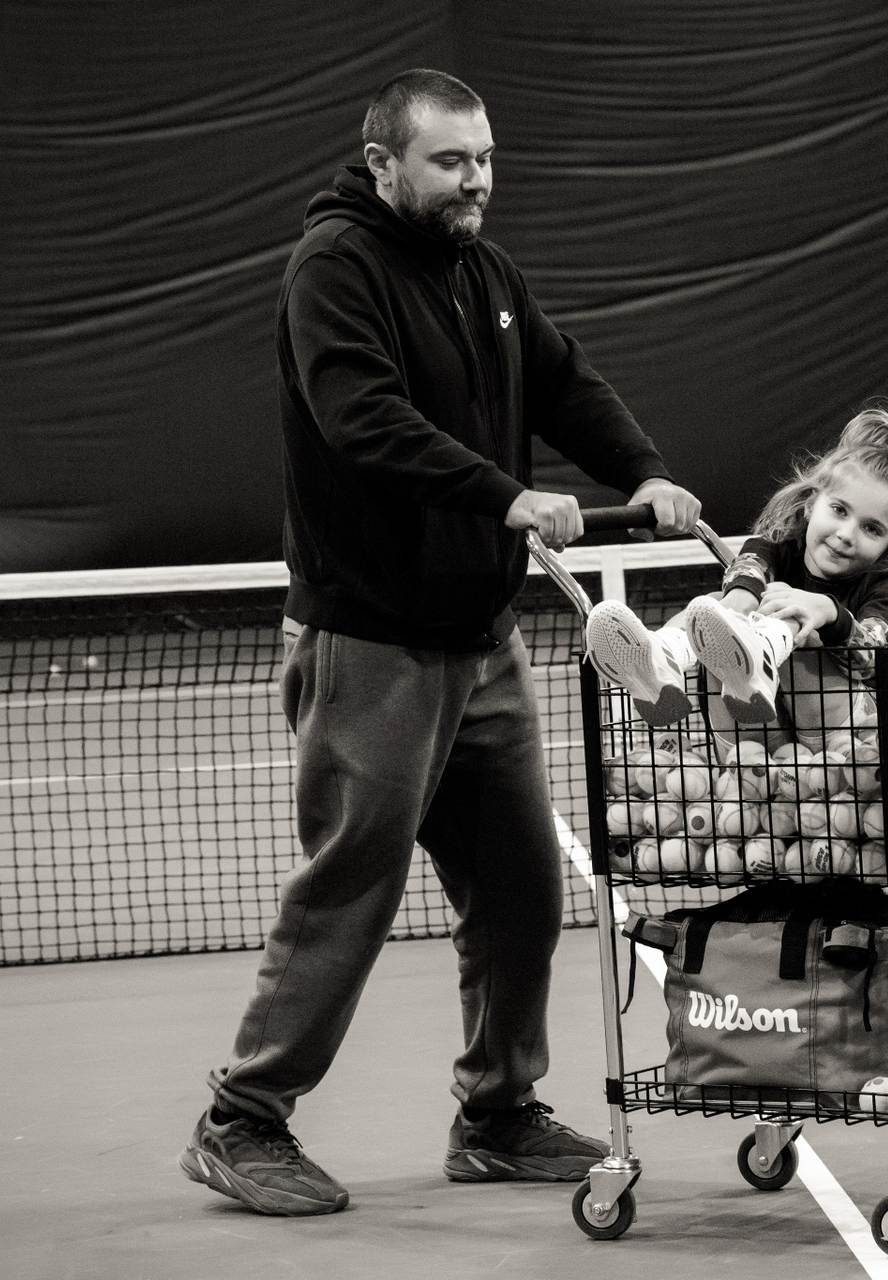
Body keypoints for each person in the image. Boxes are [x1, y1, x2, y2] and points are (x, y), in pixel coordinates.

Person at [178, 69, 701, 1217]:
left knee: (521, 886)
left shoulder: (485, 270)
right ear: (383, 164)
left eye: (486, 159)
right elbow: (362, 419)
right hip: (370, 640)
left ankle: (498, 1113)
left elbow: (560, 380)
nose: (476, 181)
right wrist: (504, 494)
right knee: (350, 886)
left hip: (481, 638)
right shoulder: (333, 269)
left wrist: (644, 470)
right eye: (451, 161)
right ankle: (242, 1118)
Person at [585, 403, 888, 743]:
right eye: (839, 510)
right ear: (810, 504)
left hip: (854, 744)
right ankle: (663, 658)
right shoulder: (776, 548)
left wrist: (830, 614)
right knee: (716, 608)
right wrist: (738, 602)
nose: (846, 534)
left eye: (872, 529)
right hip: (765, 751)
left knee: (794, 614)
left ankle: (762, 652)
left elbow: (876, 658)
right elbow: (749, 569)